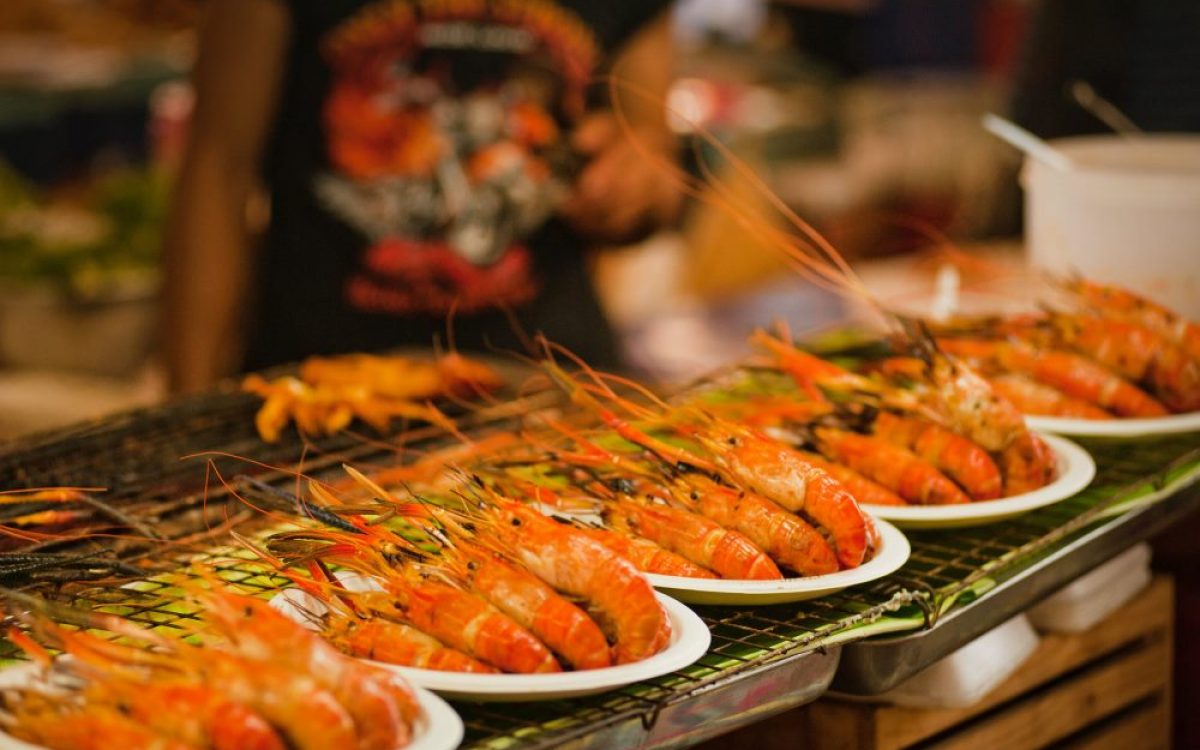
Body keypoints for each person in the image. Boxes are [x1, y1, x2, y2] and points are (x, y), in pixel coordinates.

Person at [162, 0, 682, 394]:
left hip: (549, 379)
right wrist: (187, 404)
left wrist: (635, 186)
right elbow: (217, 172)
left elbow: (654, 158)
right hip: (322, 383)